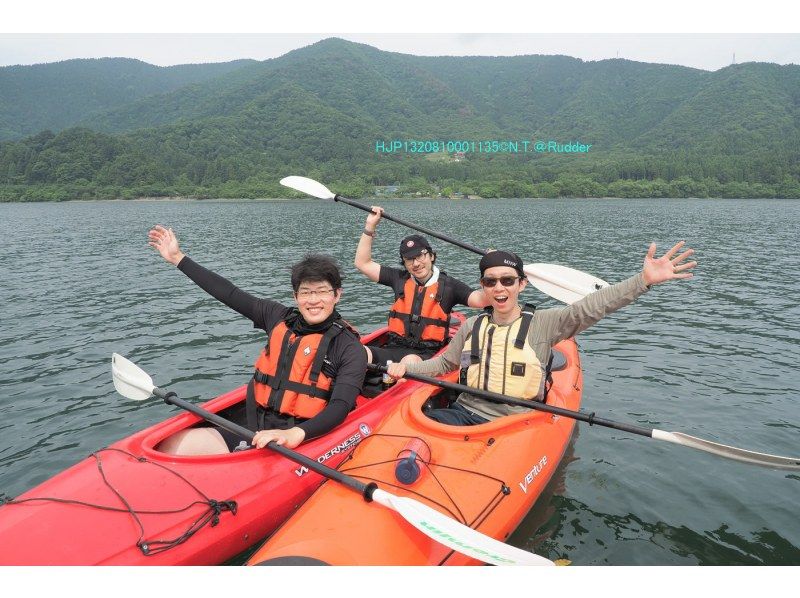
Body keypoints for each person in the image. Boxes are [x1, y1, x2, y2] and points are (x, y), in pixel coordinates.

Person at [386, 242, 697, 425]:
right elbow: (442, 366)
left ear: (521, 284)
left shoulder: (545, 323)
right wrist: (407, 368)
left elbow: (592, 307)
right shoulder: (471, 326)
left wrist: (642, 280)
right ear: (482, 287)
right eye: (490, 281)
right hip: (464, 413)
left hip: (515, 422)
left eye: (507, 280)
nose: (499, 287)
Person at [147, 225, 367, 454]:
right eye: (306, 292)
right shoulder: (276, 316)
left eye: (322, 291)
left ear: (337, 295)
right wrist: (178, 258)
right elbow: (228, 293)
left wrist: (295, 434)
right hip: (254, 426)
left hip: (305, 437)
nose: (314, 300)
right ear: (295, 296)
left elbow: (340, 407)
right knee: (172, 446)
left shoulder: (349, 348)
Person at [354, 206, 488, 367]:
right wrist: (370, 226)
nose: (416, 263)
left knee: (409, 362)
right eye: (409, 259)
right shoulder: (398, 278)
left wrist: (494, 267)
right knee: (357, 353)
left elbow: (482, 300)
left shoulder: (450, 286)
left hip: (426, 355)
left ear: (431, 256)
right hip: (393, 348)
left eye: (420, 256)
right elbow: (362, 263)